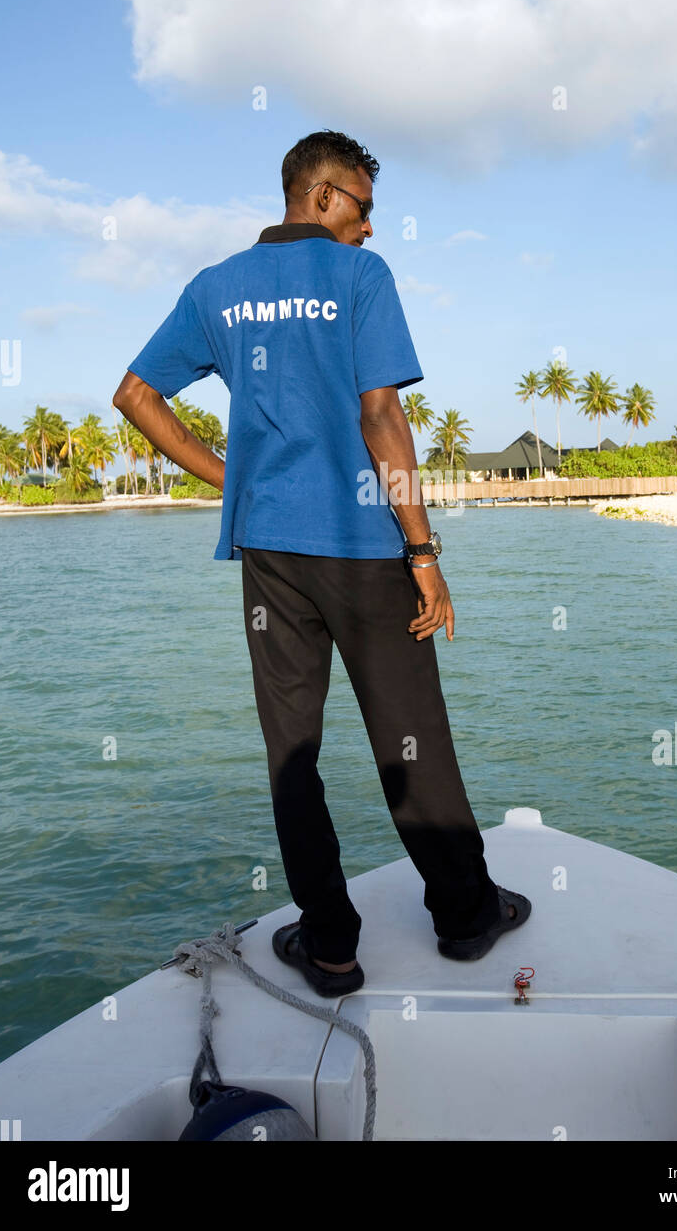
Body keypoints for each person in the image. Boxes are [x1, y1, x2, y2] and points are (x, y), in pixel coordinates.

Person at [112, 129, 530, 998]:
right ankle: (464, 916)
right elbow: (383, 419)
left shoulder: (216, 287)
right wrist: (423, 549)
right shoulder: (359, 280)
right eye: (365, 209)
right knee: (411, 740)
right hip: (364, 545)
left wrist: (235, 482)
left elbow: (134, 395)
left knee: (292, 751)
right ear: (323, 197)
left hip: (270, 554)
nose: (371, 230)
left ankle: (331, 946)